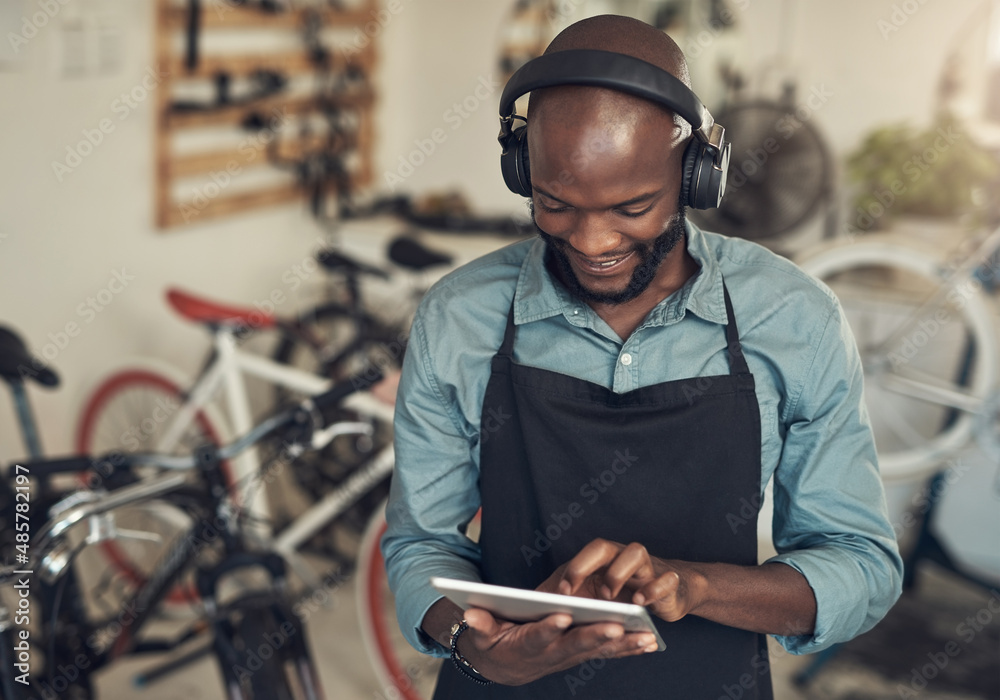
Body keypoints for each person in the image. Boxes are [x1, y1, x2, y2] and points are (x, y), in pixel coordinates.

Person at [382, 14, 902, 699]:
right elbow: (421, 545)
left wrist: (696, 584)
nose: (592, 241)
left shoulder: (792, 318)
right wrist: (471, 642)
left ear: (696, 174)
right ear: (520, 173)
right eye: (554, 204)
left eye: (633, 206)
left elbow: (861, 563)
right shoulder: (460, 316)